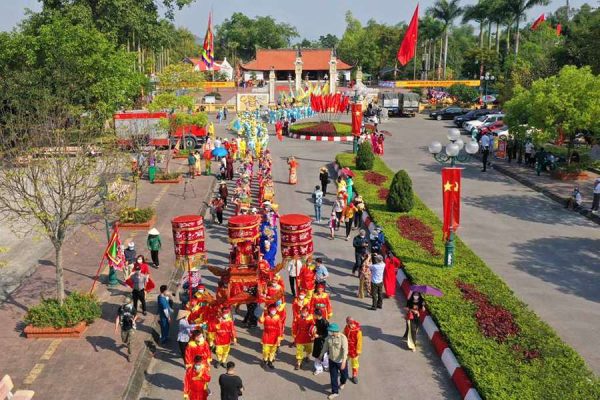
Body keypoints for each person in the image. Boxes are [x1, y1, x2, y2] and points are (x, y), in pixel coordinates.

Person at [320, 322, 348, 399]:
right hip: (332, 360)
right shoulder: (329, 338)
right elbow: (325, 347)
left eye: (330, 331)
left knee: (345, 375)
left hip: (341, 361)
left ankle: (343, 382)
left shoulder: (343, 338)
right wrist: (321, 355)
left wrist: (344, 362)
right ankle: (335, 392)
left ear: (335, 331)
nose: (329, 332)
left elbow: (345, 350)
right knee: (333, 377)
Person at [115, 295, 137, 362]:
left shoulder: (132, 308)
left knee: (130, 342)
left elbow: (136, 315)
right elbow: (118, 318)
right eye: (124, 303)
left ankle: (129, 355)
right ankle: (127, 343)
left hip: (131, 328)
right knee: (124, 340)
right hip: (123, 327)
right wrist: (116, 328)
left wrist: (133, 320)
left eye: (126, 303)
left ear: (129, 303)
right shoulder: (121, 309)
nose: (125, 304)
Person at [259, 305, 281, 369]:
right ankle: (265, 359)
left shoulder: (277, 317)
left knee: (273, 350)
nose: (273, 311)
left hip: (274, 336)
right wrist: (263, 312)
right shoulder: (266, 317)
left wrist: (279, 337)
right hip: (266, 336)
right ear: (269, 310)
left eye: (274, 310)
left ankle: (270, 361)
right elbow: (261, 321)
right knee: (265, 350)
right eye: (272, 310)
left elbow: (280, 328)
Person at [293, 306, 315, 370]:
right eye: (302, 312)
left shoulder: (311, 318)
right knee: (299, 350)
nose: (303, 313)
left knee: (309, 349)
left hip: (308, 337)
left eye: (305, 312)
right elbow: (295, 326)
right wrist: (294, 334)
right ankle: (298, 363)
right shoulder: (298, 317)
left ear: (307, 312)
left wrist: (313, 335)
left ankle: (307, 356)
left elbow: (314, 327)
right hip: (300, 336)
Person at [343, 317, 363, 384]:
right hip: (347, 348)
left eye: (351, 323)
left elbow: (359, 342)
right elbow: (344, 334)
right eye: (349, 323)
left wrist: (358, 350)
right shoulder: (347, 327)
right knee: (344, 360)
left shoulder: (358, 331)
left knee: (355, 363)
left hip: (354, 350)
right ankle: (343, 372)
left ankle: (354, 376)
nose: (350, 325)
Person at [312, 309, 329, 376]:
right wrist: (314, 329)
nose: (313, 315)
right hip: (317, 340)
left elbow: (327, 334)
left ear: (317, 315)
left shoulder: (325, 323)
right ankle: (319, 368)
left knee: (323, 355)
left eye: (314, 314)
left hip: (323, 341)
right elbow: (316, 327)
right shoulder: (317, 320)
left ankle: (326, 365)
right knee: (317, 355)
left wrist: (319, 336)